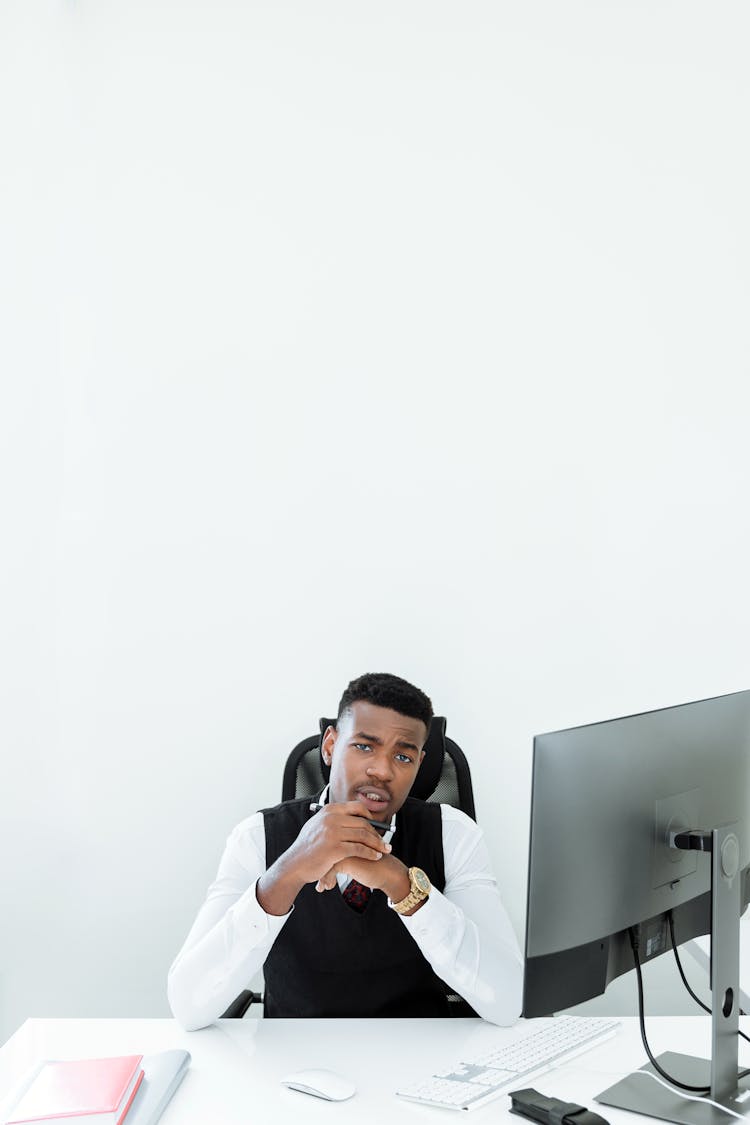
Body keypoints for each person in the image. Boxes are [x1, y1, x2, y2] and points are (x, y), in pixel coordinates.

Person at [168, 672, 522, 1027]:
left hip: (420, 1060)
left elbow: (509, 1002)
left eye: (403, 757)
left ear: (419, 764)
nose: (382, 770)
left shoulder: (453, 834)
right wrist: (285, 873)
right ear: (330, 745)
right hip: (291, 1064)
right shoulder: (256, 838)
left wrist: (403, 886)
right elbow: (188, 1008)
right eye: (364, 746)